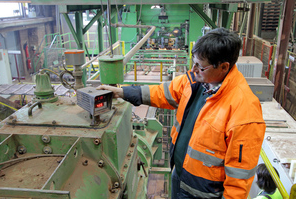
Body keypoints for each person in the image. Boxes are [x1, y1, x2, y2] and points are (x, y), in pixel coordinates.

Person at [97, 28, 266, 199]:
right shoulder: (195, 81)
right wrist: (122, 92)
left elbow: (239, 180)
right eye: (194, 62)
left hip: (202, 194)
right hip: (178, 176)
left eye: (201, 66)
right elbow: (162, 93)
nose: (194, 69)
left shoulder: (244, 110)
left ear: (223, 67)